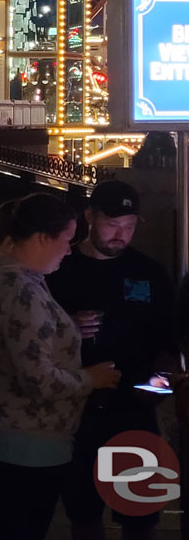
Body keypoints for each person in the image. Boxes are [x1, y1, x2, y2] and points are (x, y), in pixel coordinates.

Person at [0, 194, 121, 540]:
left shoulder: (0, 276)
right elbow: (38, 380)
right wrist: (90, 378)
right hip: (28, 439)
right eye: (66, 241)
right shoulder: (20, 289)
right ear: (41, 238)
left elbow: (18, 340)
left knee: (12, 523)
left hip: (2, 427)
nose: (69, 251)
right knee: (25, 526)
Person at [46, 181, 177, 540]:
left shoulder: (150, 273)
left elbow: (169, 342)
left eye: (130, 226)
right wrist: (67, 327)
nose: (121, 235)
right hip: (77, 411)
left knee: (141, 516)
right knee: (83, 514)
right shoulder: (60, 268)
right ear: (89, 217)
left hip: (134, 411)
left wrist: (162, 383)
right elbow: (32, 337)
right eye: (112, 224)